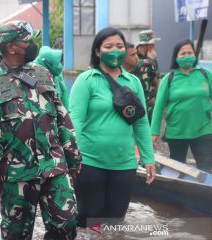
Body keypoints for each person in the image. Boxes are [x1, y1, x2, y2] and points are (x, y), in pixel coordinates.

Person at [0, 20, 81, 240]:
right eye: (26, 40)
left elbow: (61, 115)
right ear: (11, 47)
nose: (32, 44)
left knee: (67, 223)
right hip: (16, 172)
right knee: (16, 232)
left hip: (53, 165)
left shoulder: (42, 73)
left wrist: (73, 156)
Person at [69, 27, 156, 227]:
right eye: (108, 46)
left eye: (119, 46)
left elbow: (141, 122)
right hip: (89, 163)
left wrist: (148, 157)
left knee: (115, 224)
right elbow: (75, 122)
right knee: (90, 224)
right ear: (98, 51)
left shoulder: (133, 82)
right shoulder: (86, 80)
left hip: (124, 164)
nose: (115, 51)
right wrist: (74, 159)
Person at [151, 39, 212, 172]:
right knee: (176, 170)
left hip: (204, 130)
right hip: (177, 132)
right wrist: (154, 132)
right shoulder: (169, 78)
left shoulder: (206, 74)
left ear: (195, 55)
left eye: (190, 52)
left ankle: (205, 193)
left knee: (207, 169)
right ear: (176, 57)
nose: (187, 55)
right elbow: (159, 107)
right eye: (183, 53)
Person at [132, 29, 161, 122]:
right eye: (152, 44)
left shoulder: (132, 56)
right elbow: (157, 81)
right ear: (146, 45)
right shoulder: (146, 63)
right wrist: (153, 61)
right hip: (145, 104)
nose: (154, 46)